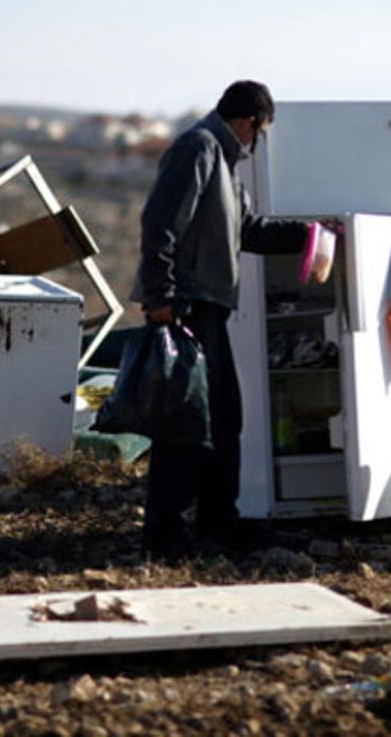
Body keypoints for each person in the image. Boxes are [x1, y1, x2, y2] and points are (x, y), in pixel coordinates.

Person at [130, 80, 309, 558]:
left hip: (208, 307)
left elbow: (249, 230)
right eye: (260, 132)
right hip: (185, 306)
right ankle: (165, 535)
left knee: (223, 418)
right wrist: (161, 297)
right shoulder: (199, 148)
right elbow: (159, 225)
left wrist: (312, 235)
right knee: (185, 423)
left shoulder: (225, 162)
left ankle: (218, 523)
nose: (257, 142)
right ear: (250, 121)